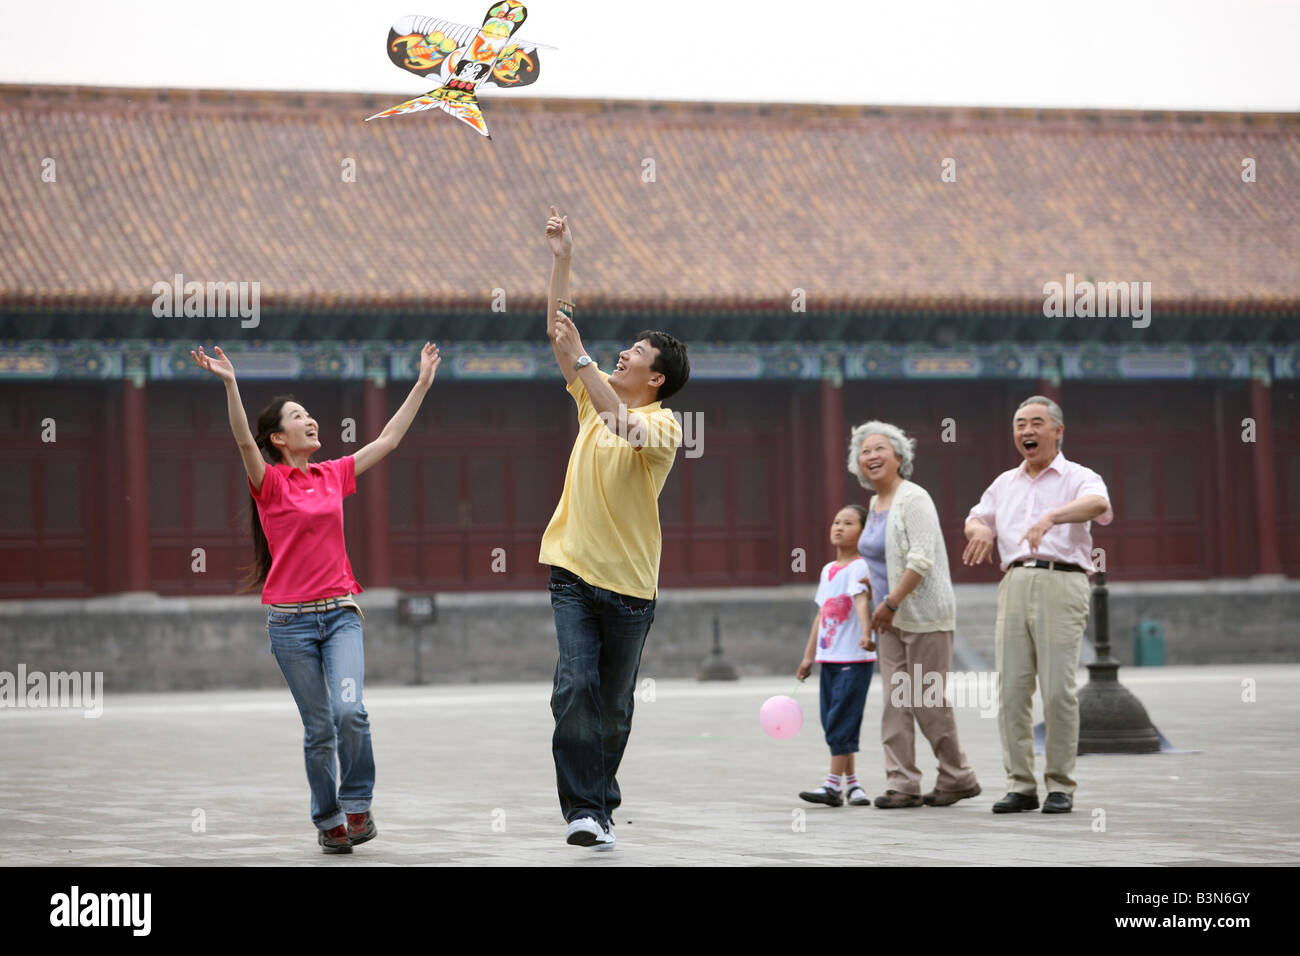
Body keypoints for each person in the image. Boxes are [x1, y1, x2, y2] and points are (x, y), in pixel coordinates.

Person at [192, 341, 441, 853]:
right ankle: (327, 820)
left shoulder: (334, 475)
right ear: (279, 438)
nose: (312, 422)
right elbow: (243, 442)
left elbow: (389, 439)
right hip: (290, 626)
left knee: (351, 712)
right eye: (299, 417)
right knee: (319, 728)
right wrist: (231, 385)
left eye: (310, 415)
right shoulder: (270, 483)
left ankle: (356, 806)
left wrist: (420, 384)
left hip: (340, 614)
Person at [539, 206, 690, 849]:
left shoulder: (662, 425)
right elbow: (560, 333)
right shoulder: (590, 393)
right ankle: (581, 809)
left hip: (632, 585)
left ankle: (602, 805)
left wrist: (584, 365)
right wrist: (563, 258)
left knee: (615, 705)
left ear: (655, 378)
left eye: (637, 352)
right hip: (572, 568)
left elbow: (619, 423)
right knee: (575, 685)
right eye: (624, 348)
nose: (623, 352)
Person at [963, 396, 1112, 815]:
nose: (1027, 431)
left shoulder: (1079, 476)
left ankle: (1060, 785)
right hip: (1013, 582)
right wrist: (981, 531)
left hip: (1061, 581)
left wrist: (1052, 518)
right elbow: (976, 517)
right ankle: (1020, 785)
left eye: (1036, 423)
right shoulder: (1004, 483)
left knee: (1058, 690)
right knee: (1010, 691)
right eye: (1019, 424)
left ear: (1058, 431)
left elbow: (1099, 506)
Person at [848, 421, 981, 809]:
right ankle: (902, 782)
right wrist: (875, 606)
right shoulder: (873, 505)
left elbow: (920, 559)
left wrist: (889, 604)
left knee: (926, 701)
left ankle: (958, 776)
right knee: (895, 702)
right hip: (886, 619)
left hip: (923, 615)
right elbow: (875, 560)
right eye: (864, 451)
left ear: (900, 457)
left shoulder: (914, 498)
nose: (871, 456)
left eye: (879, 449)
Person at [795, 505, 877, 808]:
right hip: (829, 658)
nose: (839, 527)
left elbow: (860, 602)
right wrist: (808, 657)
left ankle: (832, 786)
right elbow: (821, 614)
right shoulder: (828, 570)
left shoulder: (860, 566)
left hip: (854, 658)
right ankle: (853, 785)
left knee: (840, 720)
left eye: (849, 523)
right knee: (836, 720)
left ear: (864, 531)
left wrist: (867, 634)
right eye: (836, 522)